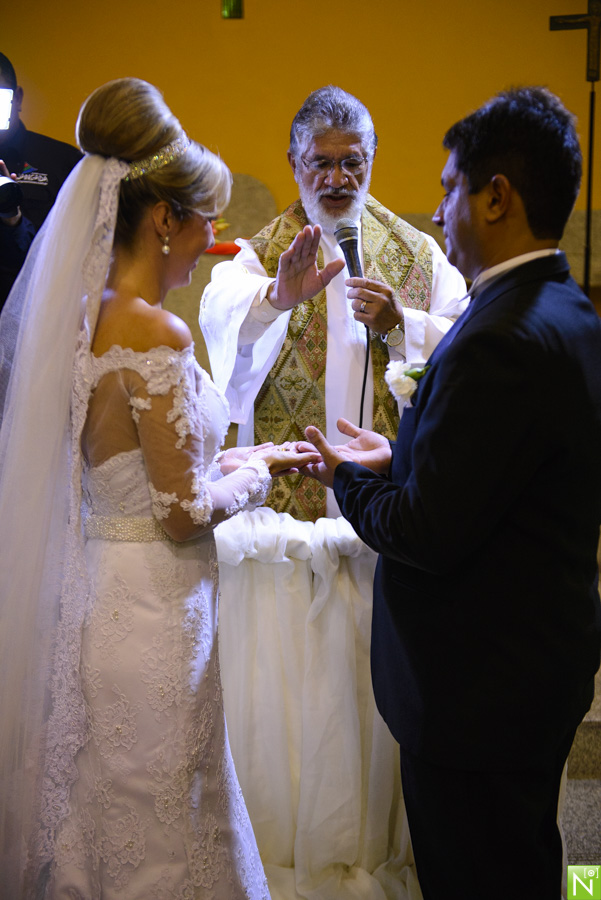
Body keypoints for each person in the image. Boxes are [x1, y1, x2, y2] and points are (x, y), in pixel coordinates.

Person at [0, 77, 317, 899]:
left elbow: (126, 477)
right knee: (169, 807)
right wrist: (257, 472)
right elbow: (180, 514)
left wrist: (242, 461)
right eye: (204, 216)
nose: (212, 235)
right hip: (157, 606)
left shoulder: (80, 317)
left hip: (95, 593)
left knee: (106, 800)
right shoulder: (155, 332)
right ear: (163, 219)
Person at [302, 86, 601, 899]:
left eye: (447, 188)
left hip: (477, 690)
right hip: (534, 664)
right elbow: (498, 469)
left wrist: (344, 475)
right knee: (522, 860)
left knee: (478, 874)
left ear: (494, 196)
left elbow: (426, 531)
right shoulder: (565, 307)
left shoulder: (497, 337)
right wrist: (398, 453)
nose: (436, 212)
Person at [200, 85, 467, 521]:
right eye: (321, 162)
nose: (337, 179)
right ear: (293, 162)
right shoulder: (266, 256)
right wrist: (276, 297)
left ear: (372, 159)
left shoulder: (419, 255)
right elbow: (218, 309)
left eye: (352, 162)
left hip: (386, 508)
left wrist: (402, 326)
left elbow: (466, 341)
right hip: (288, 520)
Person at [0, 52, 82, 310]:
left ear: (18, 98)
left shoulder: (62, 161)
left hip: (34, 321)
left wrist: (11, 216)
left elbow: (73, 257)